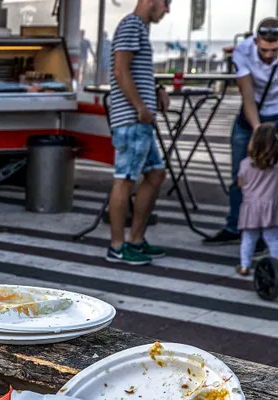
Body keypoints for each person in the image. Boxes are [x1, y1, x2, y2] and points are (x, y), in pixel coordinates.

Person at [105, 0, 170, 266]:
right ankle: (117, 246)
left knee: (155, 174)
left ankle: (135, 239)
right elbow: (121, 70)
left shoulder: (139, 28)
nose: (167, 9)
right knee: (125, 179)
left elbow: (132, 71)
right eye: (166, 2)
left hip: (139, 119)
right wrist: (140, 106)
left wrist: (156, 90)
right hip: (132, 119)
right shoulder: (132, 25)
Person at [205, 19, 278, 246]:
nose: (269, 55)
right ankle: (235, 226)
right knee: (241, 173)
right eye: (264, 50)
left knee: (272, 177)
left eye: (274, 50)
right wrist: (257, 131)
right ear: (256, 42)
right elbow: (246, 93)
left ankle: (267, 231)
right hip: (251, 114)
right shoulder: (243, 51)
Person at [233, 123, 278, 275]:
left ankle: (244, 266)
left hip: (250, 207)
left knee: (248, 238)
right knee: (272, 238)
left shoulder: (245, 164)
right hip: (271, 207)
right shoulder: (275, 166)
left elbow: (240, 183)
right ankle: (275, 266)